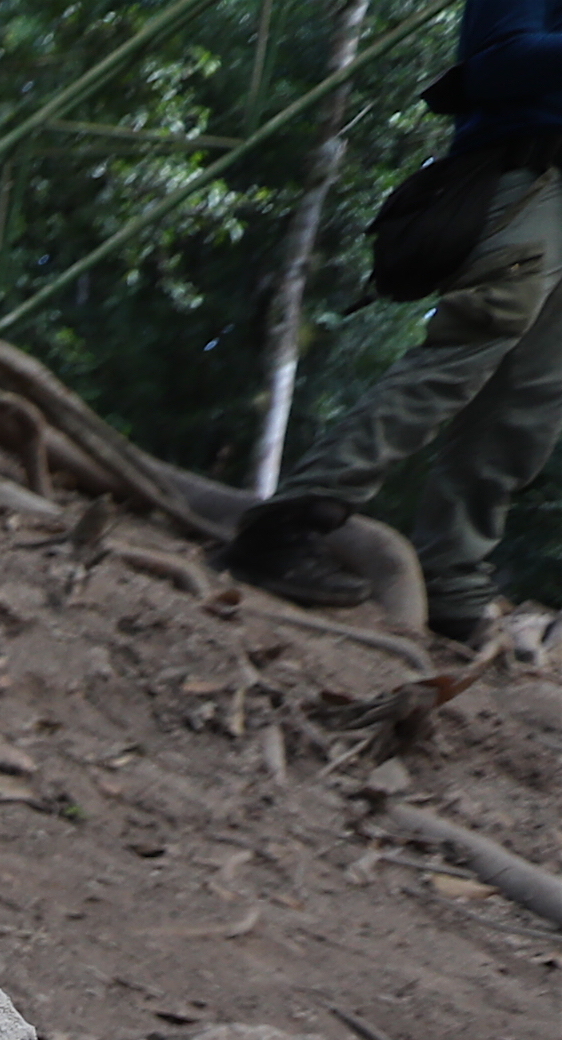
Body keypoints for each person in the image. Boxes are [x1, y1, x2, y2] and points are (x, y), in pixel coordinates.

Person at [227, 0, 562, 645]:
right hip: (528, 181)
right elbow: (495, 68)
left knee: (527, 409)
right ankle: (290, 521)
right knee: (455, 361)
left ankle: (452, 584)